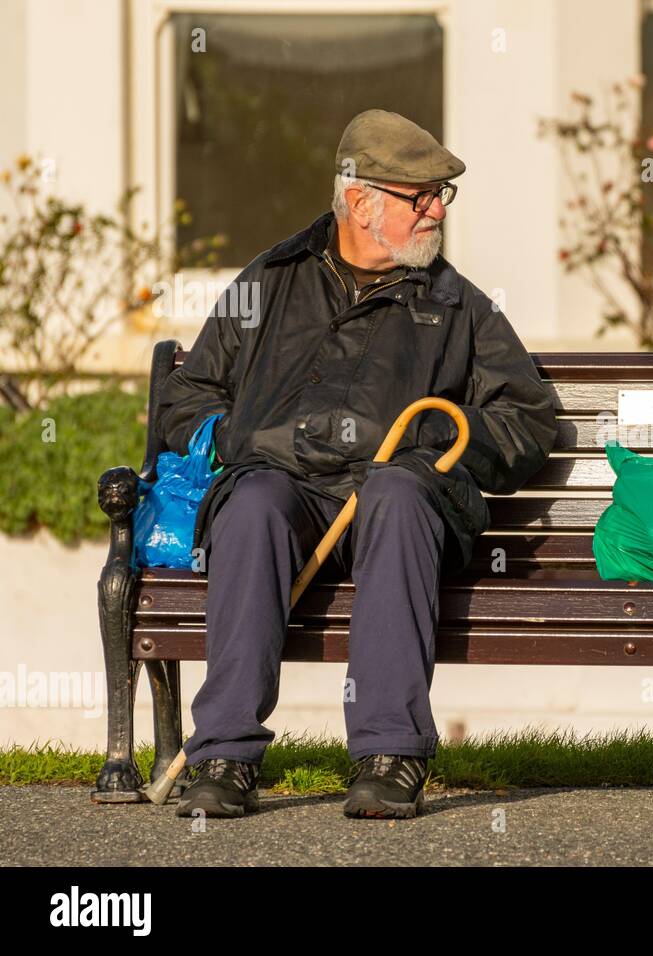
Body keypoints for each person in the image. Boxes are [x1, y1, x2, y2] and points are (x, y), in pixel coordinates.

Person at [157, 109, 557, 820]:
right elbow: (188, 396)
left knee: (399, 495)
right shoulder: (270, 280)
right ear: (360, 200)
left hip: (398, 507)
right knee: (251, 502)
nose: (437, 209)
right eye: (420, 195)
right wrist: (238, 441)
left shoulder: (455, 302)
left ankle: (390, 754)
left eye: (441, 194)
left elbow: (525, 417)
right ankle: (223, 754)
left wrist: (435, 454)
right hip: (288, 497)